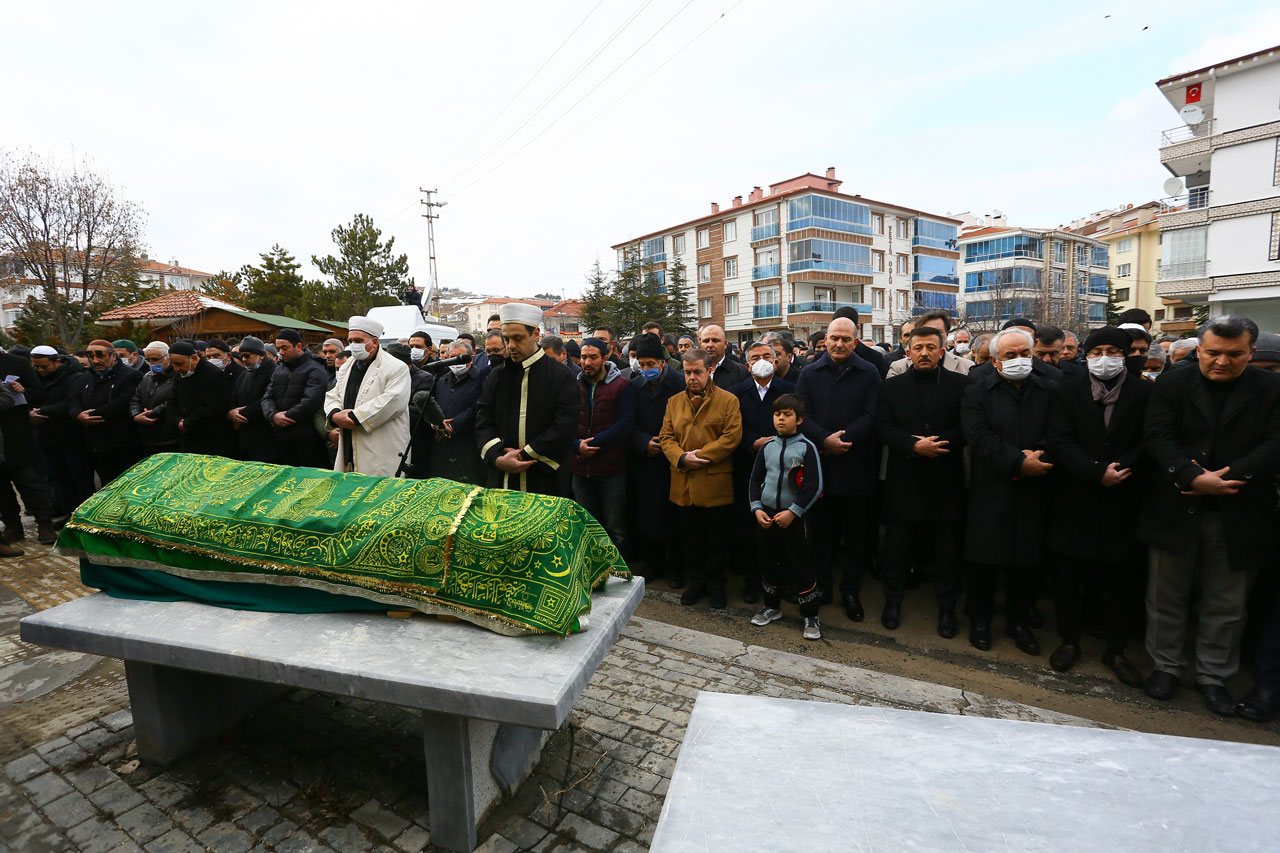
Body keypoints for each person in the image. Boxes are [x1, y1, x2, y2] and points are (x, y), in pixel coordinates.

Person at [1139, 315, 1280, 716]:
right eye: (1213, 353)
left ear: (1250, 352)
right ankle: (1166, 667)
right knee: (1166, 594)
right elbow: (1158, 435)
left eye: (1234, 354)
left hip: (1239, 507)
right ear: (1199, 350)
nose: (1222, 361)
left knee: (1228, 602)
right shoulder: (1172, 383)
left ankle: (1214, 676)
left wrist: (1229, 478)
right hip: (1177, 501)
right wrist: (1190, 475)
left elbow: (1276, 441)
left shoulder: (1271, 388)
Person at [1046, 326, 1151, 686]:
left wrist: (1121, 468)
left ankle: (1116, 650)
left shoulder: (1144, 392)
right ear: (1085, 356)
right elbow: (1060, 439)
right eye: (1095, 352)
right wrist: (1094, 471)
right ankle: (1069, 641)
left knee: (1122, 578)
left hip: (1124, 495)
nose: (1104, 358)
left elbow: (1150, 439)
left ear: (1125, 355)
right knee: (1069, 576)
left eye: (1112, 351)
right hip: (1076, 495)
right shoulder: (1067, 390)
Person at [961, 327, 1056, 656]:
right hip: (992, 486)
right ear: (996, 361)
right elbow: (978, 437)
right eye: (1010, 356)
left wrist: (1038, 458)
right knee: (984, 560)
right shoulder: (977, 391)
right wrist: (1017, 463)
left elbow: (1059, 433)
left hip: (1037, 486)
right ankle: (980, 620)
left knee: (1026, 561)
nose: (1018, 360)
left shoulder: (1051, 388)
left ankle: (1018, 622)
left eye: (1024, 354)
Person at [876, 325, 968, 637]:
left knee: (946, 552)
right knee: (896, 549)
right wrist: (913, 445)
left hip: (946, 479)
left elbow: (967, 426)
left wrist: (939, 444)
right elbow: (883, 426)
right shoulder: (892, 386)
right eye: (918, 348)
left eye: (931, 347)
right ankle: (892, 602)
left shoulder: (960, 384)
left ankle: (947, 610)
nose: (924, 353)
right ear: (909, 352)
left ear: (943, 351)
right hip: (905, 479)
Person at [796, 317, 882, 618]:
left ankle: (851, 591)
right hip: (821, 467)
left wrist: (842, 440)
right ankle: (823, 588)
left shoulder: (869, 372)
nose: (839, 344)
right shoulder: (809, 373)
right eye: (834, 338)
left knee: (856, 538)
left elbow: (871, 416)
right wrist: (823, 439)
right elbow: (801, 416)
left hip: (857, 467)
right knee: (821, 537)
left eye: (846, 339)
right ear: (826, 339)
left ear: (855, 341)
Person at [660, 348, 742, 608]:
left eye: (697, 372)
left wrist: (701, 456)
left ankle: (716, 585)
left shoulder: (728, 400)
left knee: (716, 539)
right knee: (691, 538)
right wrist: (682, 458)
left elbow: (731, 437)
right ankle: (696, 583)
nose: (692, 377)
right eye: (687, 372)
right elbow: (666, 437)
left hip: (714, 481)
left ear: (709, 371)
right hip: (682, 482)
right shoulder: (674, 402)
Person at [475, 303, 579, 496]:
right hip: (501, 479)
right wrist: (498, 458)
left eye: (518, 338)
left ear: (536, 334)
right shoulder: (496, 376)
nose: (511, 345)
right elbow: (483, 420)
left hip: (546, 479)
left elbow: (564, 425)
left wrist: (523, 455)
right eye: (506, 339)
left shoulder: (560, 375)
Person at [748, 393, 823, 639]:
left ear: (799, 419)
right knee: (768, 561)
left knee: (801, 564)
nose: (781, 419)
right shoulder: (767, 447)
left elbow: (815, 486)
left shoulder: (806, 447)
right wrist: (757, 507)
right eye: (777, 414)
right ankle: (772, 606)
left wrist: (794, 512)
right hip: (766, 517)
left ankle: (810, 615)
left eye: (787, 414)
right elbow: (755, 480)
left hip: (794, 518)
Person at [728, 341, 796, 601]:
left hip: (783, 468)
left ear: (775, 361)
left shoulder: (789, 390)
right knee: (750, 530)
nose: (762, 360)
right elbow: (731, 426)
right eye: (755, 357)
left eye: (767, 355)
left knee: (783, 528)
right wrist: (752, 442)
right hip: (749, 466)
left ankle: (786, 581)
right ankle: (753, 581)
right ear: (747, 364)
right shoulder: (735, 393)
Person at [628, 334, 686, 583]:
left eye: (650, 364)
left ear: (662, 362)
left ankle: (676, 567)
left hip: (673, 461)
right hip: (646, 460)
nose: (645, 369)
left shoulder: (680, 384)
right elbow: (627, 422)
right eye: (641, 365)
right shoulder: (635, 386)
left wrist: (668, 445)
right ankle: (653, 563)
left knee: (673, 517)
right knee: (647, 513)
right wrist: (643, 442)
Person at [324, 316, 412, 477]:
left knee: (380, 492)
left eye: (358, 340)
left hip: (381, 444)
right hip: (348, 442)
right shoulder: (347, 366)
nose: (353, 345)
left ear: (374, 342)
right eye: (350, 340)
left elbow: (393, 401)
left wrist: (353, 417)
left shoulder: (395, 367)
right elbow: (333, 394)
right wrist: (335, 414)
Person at [572, 337, 636, 554]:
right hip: (580, 470)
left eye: (593, 357)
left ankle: (618, 572)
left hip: (611, 469)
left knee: (614, 526)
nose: (587, 362)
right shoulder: (574, 385)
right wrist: (576, 446)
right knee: (587, 526)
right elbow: (564, 422)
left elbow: (625, 425)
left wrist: (593, 444)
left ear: (605, 358)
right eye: (583, 357)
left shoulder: (621, 386)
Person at [68, 339, 142, 496]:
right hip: (96, 443)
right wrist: (77, 414)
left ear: (113, 357)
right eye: (91, 356)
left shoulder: (131, 376)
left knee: (127, 487)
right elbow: (73, 399)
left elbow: (122, 403)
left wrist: (92, 415)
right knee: (107, 487)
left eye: (100, 356)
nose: (96, 361)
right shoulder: (85, 377)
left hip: (122, 443)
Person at [28, 346, 92, 522]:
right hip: (47, 437)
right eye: (36, 367)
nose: (40, 371)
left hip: (71, 437)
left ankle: (85, 516)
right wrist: (30, 413)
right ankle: (69, 513)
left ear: (57, 362)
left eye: (44, 367)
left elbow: (70, 402)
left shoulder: (75, 377)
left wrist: (42, 411)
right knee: (59, 479)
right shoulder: (35, 378)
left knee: (78, 478)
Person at [265, 329, 330, 468]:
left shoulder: (315, 369)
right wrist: (272, 415)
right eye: (278, 349)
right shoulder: (279, 369)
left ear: (298, 346)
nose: (281, 352)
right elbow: (267, 397)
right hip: (281, 437)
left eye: (285, 348)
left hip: (306, 438)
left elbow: (310, 401)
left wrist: (285, 417)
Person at [428, 339, 484, 484]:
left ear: (471, 358)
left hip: (467, 445)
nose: (456, 361)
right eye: (452, 357)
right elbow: (432, 403)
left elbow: (477, 408)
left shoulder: (481, 379)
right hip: (442, 445)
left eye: (460, 357)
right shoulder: (441, 380)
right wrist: (436, 424)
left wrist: (453, 426)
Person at [169, 341, 234, 457]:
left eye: (179, 364)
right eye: (173, 364)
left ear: (194, 358)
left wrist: (187, 423)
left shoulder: (214, 374)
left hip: (210, 438)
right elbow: (171, 400)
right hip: (186, 436)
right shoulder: (179, 374)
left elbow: (213, 406)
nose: (176, 369)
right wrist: (176, 421)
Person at [227, 336, 276, 463]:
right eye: (241, 356)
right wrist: (231, 412)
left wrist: (241, 415)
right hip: (245, 436)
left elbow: (267, 399)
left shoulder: (274, 373)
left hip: (265, 436)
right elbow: (233, 397)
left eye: (247, 356)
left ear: (261, 355)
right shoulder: (243, 375)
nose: (243, 359)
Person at [129, 342, 180, 457]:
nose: (151, 363)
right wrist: (136, 414)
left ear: (168, 358)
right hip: (147, 437)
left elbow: (174, 400)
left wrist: (152, 413)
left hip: (170, 437)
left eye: (155, 359)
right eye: (148, 360)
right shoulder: (147, 377)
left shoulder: (177, 376)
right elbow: (136, 398)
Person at [885, 310, 972, 377]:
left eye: (938, 332)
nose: (933, 336)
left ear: (947, 334)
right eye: (927, 331)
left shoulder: (966, 366)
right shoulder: (899, 368)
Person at [833, 307, 888, 377]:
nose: (840, 344)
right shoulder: (820, 361)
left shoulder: (875, 359)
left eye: (846, 338)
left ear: (857, 328)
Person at [696, 324, 747, 389]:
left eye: (715, 340)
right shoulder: (689, 372)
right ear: (700, 344)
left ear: (725, 344)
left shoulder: (741, 372)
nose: (710, 345)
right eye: (706, 341)